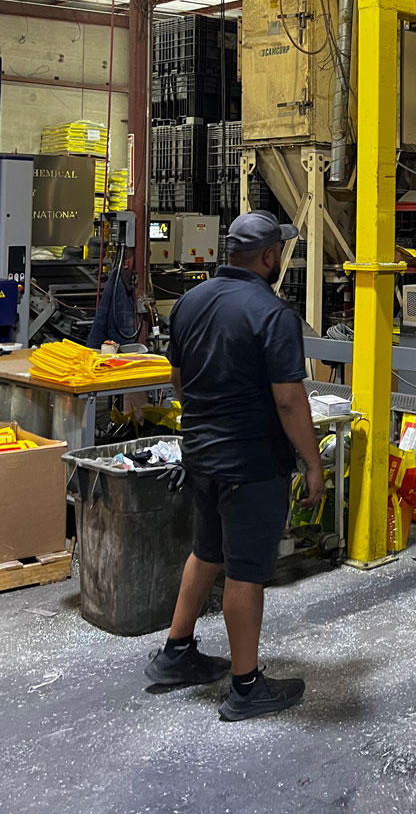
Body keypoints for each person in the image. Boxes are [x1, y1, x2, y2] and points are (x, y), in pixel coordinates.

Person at [144, 210, 324, 722]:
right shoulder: (272, 313)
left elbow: (178, 380)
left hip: (200, 453)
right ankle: (246, 687)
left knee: (207, 551)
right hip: (252, 462)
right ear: (269, 257)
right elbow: (289, 400)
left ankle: (176, 653)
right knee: (246, 571)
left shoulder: (190, 302)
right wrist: (312, 463)